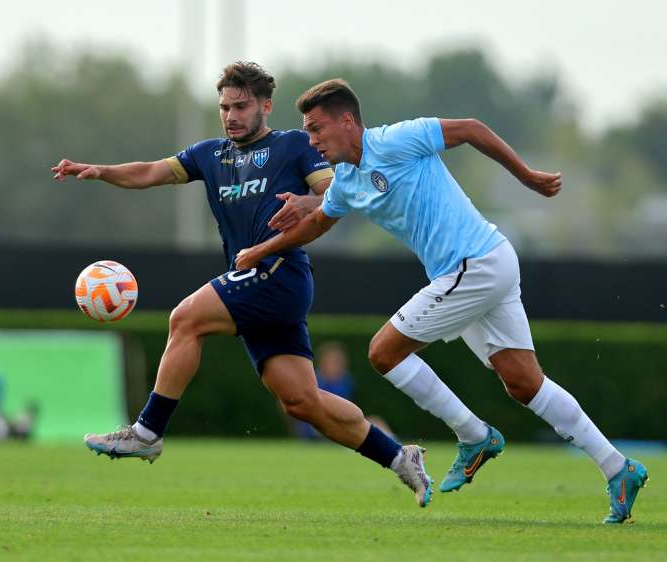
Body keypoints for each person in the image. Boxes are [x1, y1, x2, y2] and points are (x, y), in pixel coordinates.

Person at [234, 78, 648, 523]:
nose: (312, 141)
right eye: (308, 132)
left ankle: (474, 435)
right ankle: (618, 468)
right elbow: (317, 222)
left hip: (475, 264)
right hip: (486, 265)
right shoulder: (346, 182)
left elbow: (469, 128)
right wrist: (261, 250)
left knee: (383, 352)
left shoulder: (395, 139)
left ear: (348, 121)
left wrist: (526, 176)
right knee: (524, 383)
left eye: (317, 129)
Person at [52, 62, 433, 508]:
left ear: (265, 106)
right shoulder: (210, 155)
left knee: (185, 318)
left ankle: (147, 432)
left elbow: (335, 193)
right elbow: (151, 172)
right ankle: (399, 456)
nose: (231, 115)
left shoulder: (292, 146)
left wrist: (307, 201)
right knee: (302, 402)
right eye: (224, 107)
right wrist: (100, 170)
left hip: (278, 271)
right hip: (254, 281)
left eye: (241, 106)